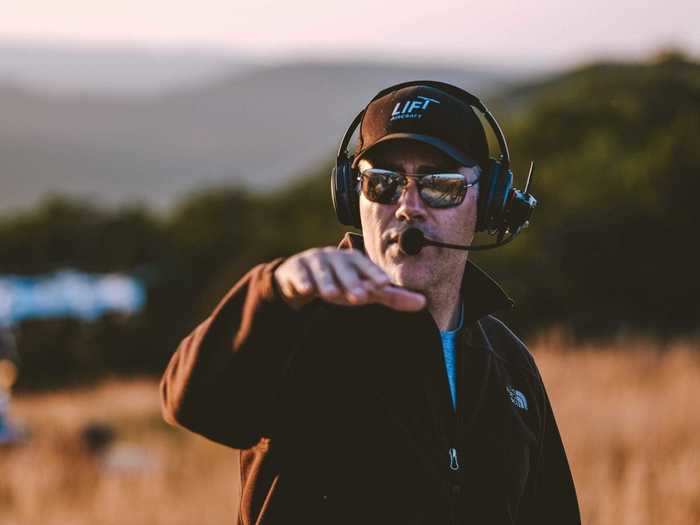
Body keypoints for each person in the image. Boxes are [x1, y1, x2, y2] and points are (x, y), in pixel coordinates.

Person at [160, 81, 581, 524]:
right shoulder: (294, 327)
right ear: (351, 196)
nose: (407, 207)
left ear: (490, 204)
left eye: (439, 185)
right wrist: (273, 291)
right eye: (383, 183)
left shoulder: (509, 364)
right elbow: (194, 404)